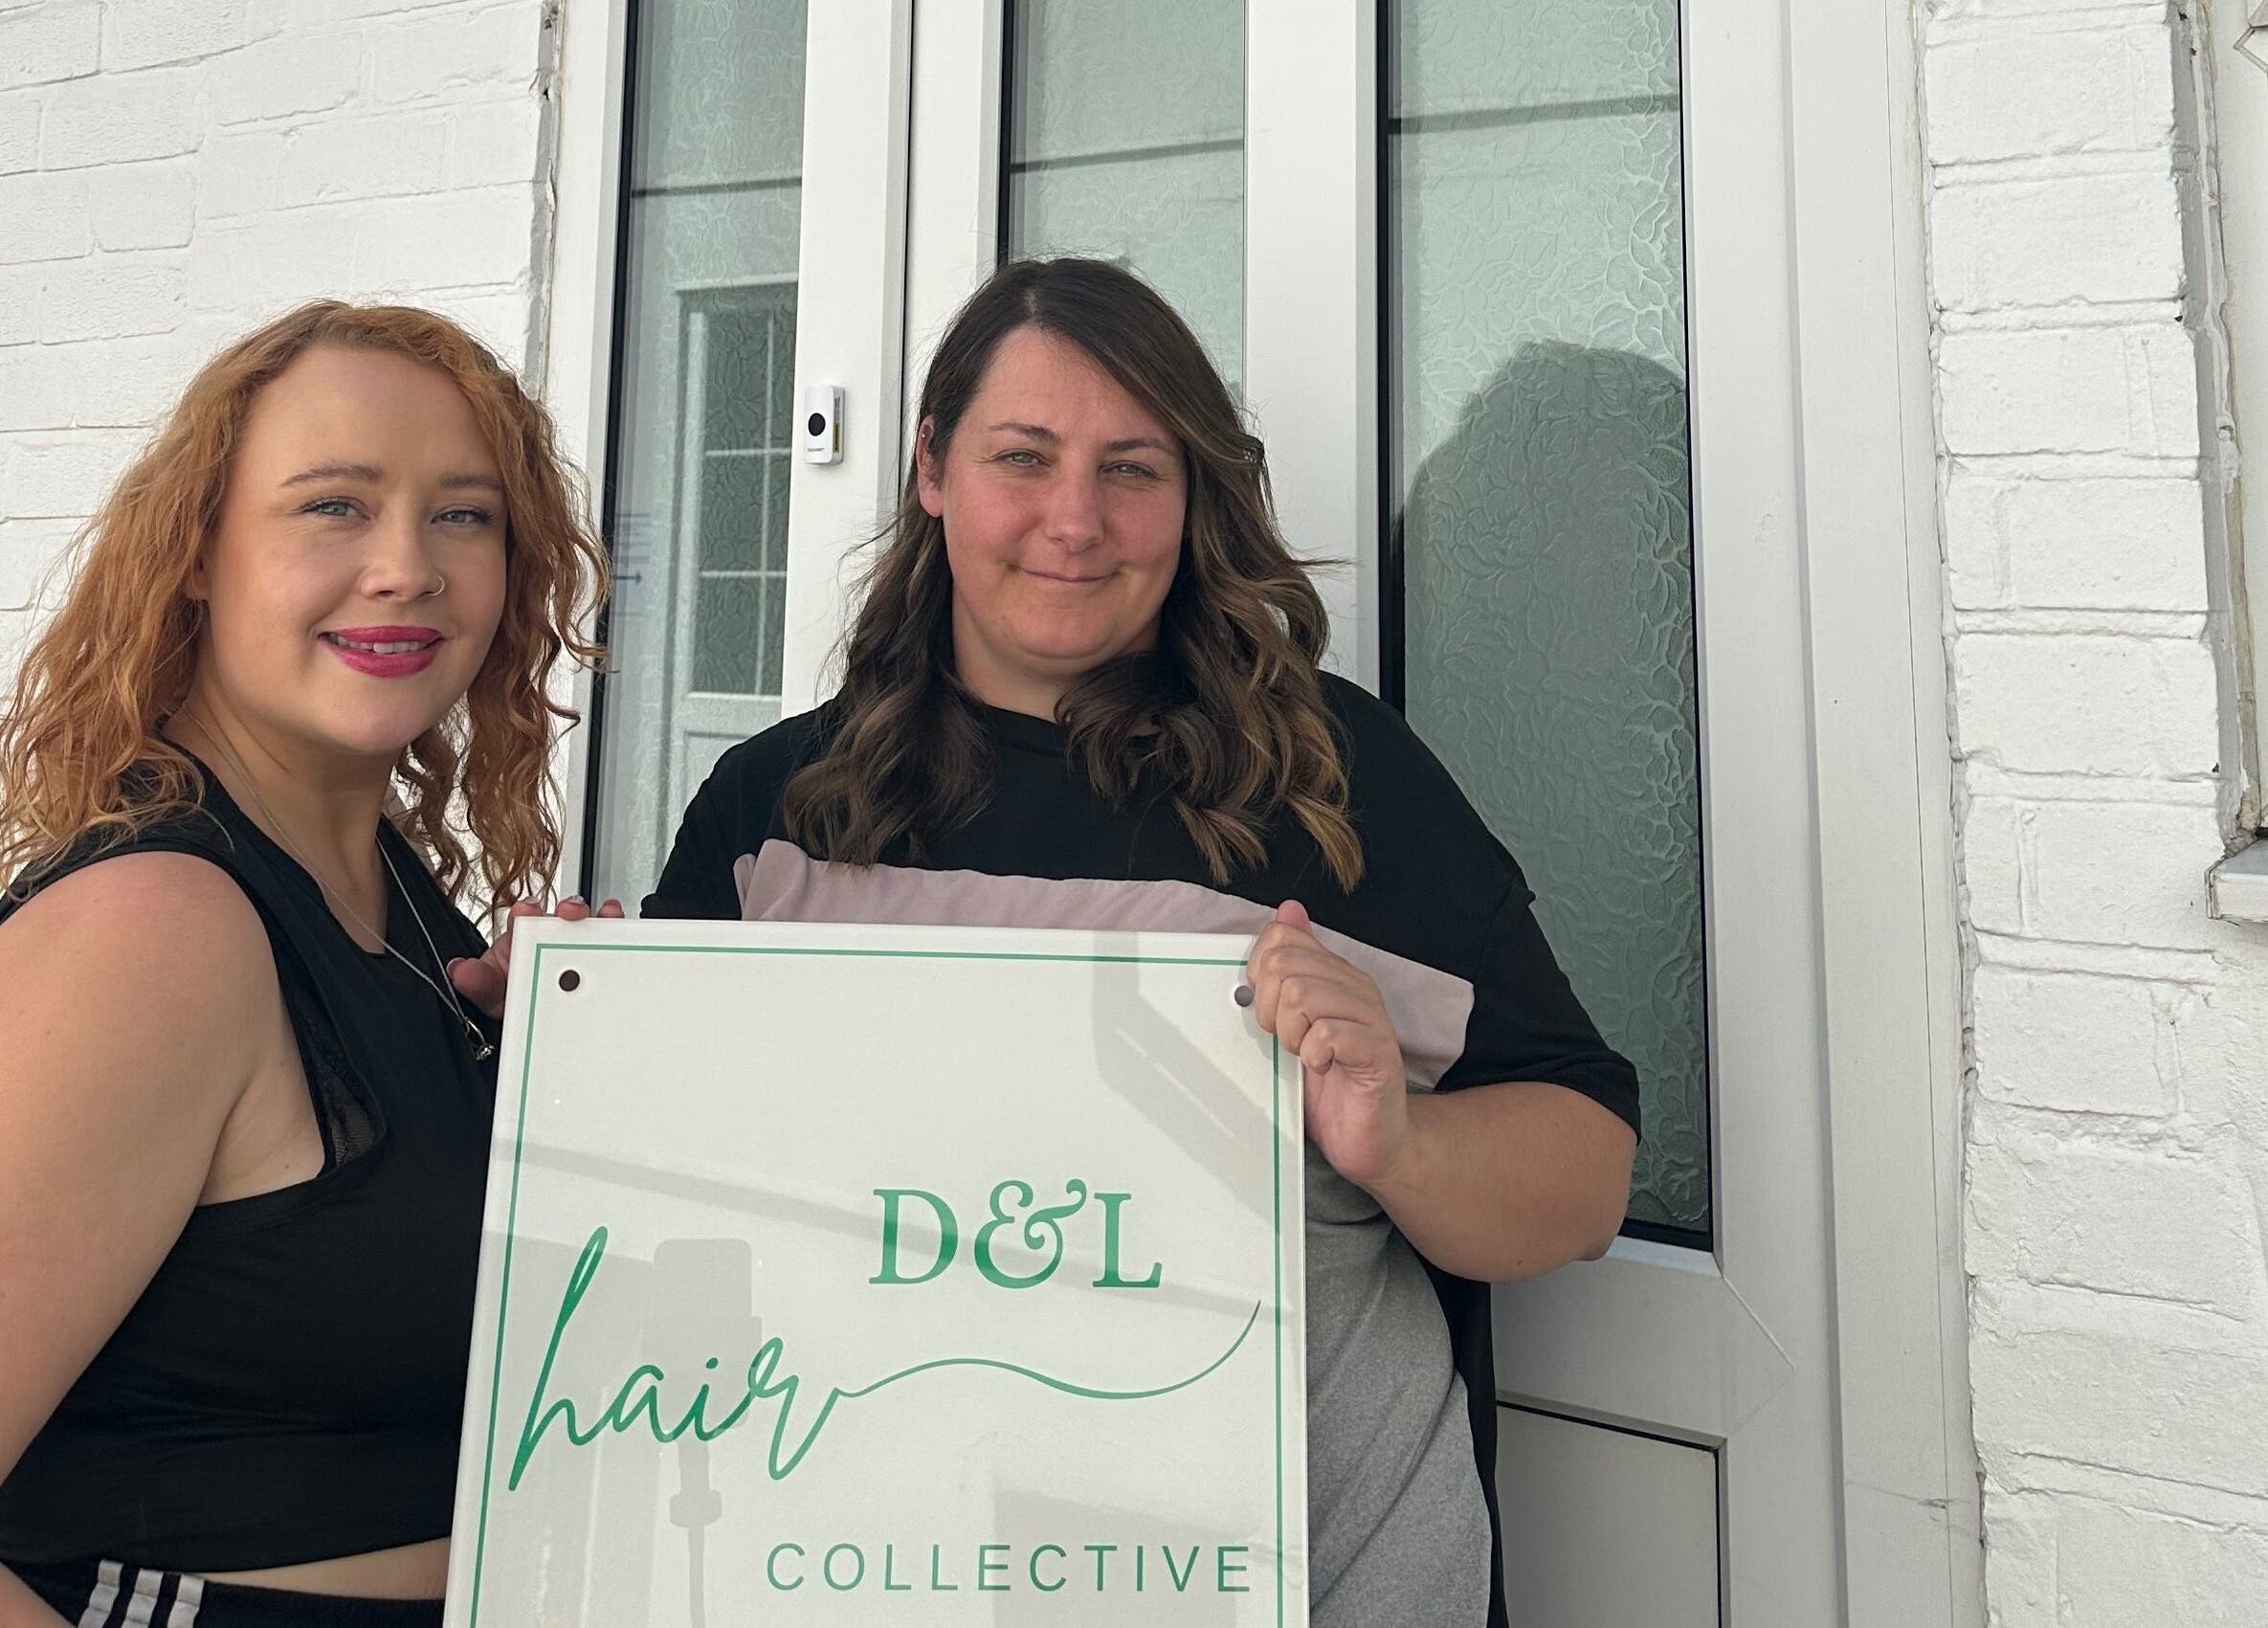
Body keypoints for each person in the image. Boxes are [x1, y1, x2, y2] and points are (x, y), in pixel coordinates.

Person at [636, 256, 1641, 1626]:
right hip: (871, 1570)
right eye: (1023, 457)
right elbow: (652, 1197)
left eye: (1131, 469)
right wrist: (568, 1029)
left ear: (1191, 496)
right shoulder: (774, 813)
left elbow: (1584, 1176)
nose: (1075, 520)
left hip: (1311, 1583)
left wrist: (1398, 1144)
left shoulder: (1334, 782)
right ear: (931, 469)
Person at [0, 303, 606, 1627]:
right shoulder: (155, 928)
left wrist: (567, 1079)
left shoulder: (391, 894)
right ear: (196, 551)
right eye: (335, 505)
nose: (407, 568)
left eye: (463, 515)